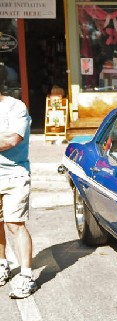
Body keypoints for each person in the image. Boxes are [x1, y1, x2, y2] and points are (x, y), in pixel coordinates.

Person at [0, 66, 36, 298]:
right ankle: (2, 265)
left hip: (14, 175)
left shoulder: (15, 107)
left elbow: (12, 139)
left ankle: (26, 275)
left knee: (14, 224)